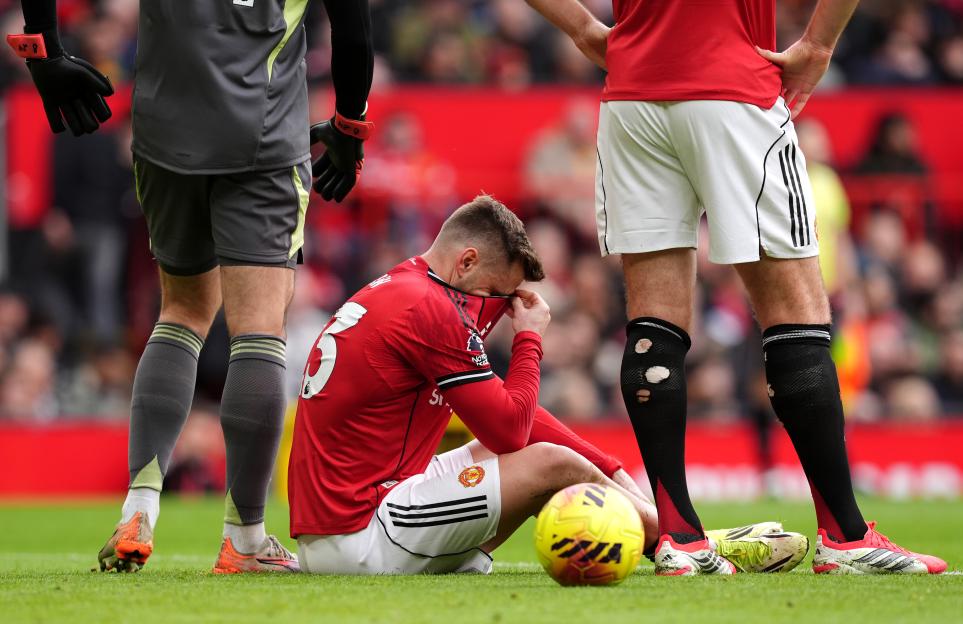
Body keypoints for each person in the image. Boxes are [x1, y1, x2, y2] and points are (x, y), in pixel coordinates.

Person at [524, 0, 947, 575]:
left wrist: (583, 29)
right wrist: (819, 45)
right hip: (733, 85)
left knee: (653, 324)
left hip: (633, 95)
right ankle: (846, 537)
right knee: (796, 315)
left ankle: (681, 540)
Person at [9, 0, 375, 573]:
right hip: (263, 139)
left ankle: (138, 508)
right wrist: (350, 125)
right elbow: (352, 29)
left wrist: (44, 50)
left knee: (180, 314)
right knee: (259, 332)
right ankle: (245, 540)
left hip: (165, 137)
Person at [289, 195, 809, 575]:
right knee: (549, 464)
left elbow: (513, 417)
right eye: (497, 295)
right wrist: (529, 339)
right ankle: (692, 547)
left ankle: (674, 534)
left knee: (541, 454)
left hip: (347, 522)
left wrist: (609, 468)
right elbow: (512, 432)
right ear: (466, 262)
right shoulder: (430, 309)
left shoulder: (404, 288)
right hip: (360, 534)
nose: (497, 311)